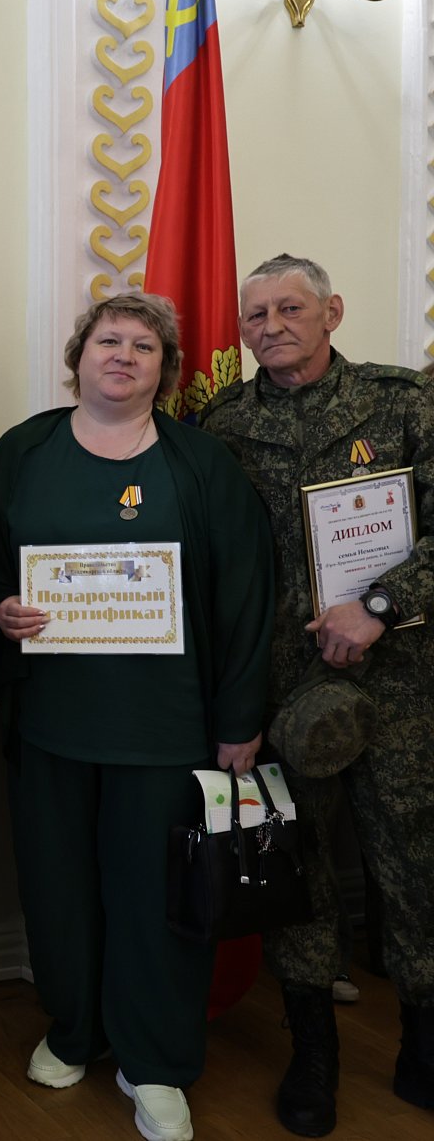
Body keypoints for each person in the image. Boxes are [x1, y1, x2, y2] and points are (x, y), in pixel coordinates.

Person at [0, 292, 273, 1141]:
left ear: (165, 370)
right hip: (50, 723)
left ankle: (156, 1061)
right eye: (109, 340)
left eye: (145, 346)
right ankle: (75, 1029)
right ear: (80, 355)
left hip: (165, 730)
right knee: (58, 889)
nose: (124, 356)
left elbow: (246, 596)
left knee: (154, 900)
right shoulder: (23, 451)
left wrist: (240, 718)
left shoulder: (201, 464)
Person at [202, 254, 434, 1135]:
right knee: (296, 868)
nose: (270, 327)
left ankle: (423, 1043)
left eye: (290, 308)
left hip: (401, 681)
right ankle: (313, 1053)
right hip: (283, 689)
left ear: (332, 312)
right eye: (255, 315)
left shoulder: (403, 402)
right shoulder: (222, 424)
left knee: (416, 863)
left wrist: (380, 607)